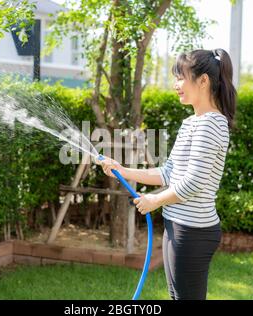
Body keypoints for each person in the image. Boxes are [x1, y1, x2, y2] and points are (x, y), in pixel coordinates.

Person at [99, 48, 236, 300]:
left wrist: (155, 201)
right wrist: (122, 169)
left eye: (181, 77)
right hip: (177, 226)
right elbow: (169, 172)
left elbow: (194, 182)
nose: (176, 85)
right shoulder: (191, 122)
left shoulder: (211, 123)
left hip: (193, 231)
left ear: (203, 80)